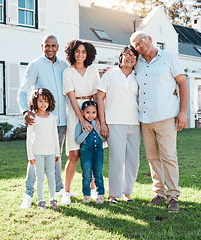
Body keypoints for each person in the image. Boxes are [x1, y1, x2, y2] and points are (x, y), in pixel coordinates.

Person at [130, 31, 188, 212]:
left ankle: (173, 197)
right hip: (145, 119)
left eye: (142, 40)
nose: (140, 45)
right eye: (136, 44)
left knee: (169, 157)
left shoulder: (169, 57)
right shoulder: (136, 64)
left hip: (166, 117)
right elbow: (123, 72)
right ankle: (159, 193)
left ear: (150, 39)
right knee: (153, 159)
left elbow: (182, 84)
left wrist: (183, 112)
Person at [17, 35, 67, 209]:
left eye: (53, 45)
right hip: (40, 121)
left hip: (60, 121)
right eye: (47, 45)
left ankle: (58, 191)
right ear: (42, 46)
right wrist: (25, 111)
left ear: (58, 47)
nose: (50, 48)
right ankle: (28, 194)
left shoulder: (64, 66)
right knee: (35, 160)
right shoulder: (35, 65)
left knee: (55, 157)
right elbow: (22, 92)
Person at [95, 46, 140, 204]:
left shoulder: (138, 76)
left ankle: (127, 193)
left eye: (133, 55)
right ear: (120, 57)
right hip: (114, 123)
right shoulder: (110, 74)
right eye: (127, 55)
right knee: (117, 160)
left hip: (135, 124)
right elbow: (99, 97)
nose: (130, 57)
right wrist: (102, 122)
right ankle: (114, 195)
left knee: (133, 161)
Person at [62, 39, 100, 205]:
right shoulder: (67, 72)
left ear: (88, 54)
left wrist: (95, 118)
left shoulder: (93, 70)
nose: (80, 54)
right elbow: (71, 98)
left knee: (90, 152)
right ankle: (66, 192)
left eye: (83, 52)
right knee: (74, 153)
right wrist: (81, 120)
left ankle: (91, 189)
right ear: (72, 53)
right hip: (75, 114)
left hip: (91, 112)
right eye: (77, 51)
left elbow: (97, 95)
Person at [26, 88, 60, 210]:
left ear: (50, 102)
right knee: (39, 177)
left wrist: (58, 153)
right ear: (35, 102)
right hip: (37, 152)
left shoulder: (52, 117)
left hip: (51, 152)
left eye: (45, 101)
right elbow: (29, 138)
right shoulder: (32, 117)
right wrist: (30, 155)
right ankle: (41, 200)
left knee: (51, 175)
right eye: (40, 101)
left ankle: (53, 198)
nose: (43, 104)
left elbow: (55, 135)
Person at [75, 100, 106, 204]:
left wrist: (96, 128)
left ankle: (100, 195)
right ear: (82, 112)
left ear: (96, 113)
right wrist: (87, 131)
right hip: (86, 153)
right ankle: (86, 195)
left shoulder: (98, 124)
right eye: (87, 112)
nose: (90, 115)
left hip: (98, 153)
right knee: (87, 175)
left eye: (93, 112)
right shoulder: (79, 125)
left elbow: (103, 138)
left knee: (98, 174)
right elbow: (77, 140)